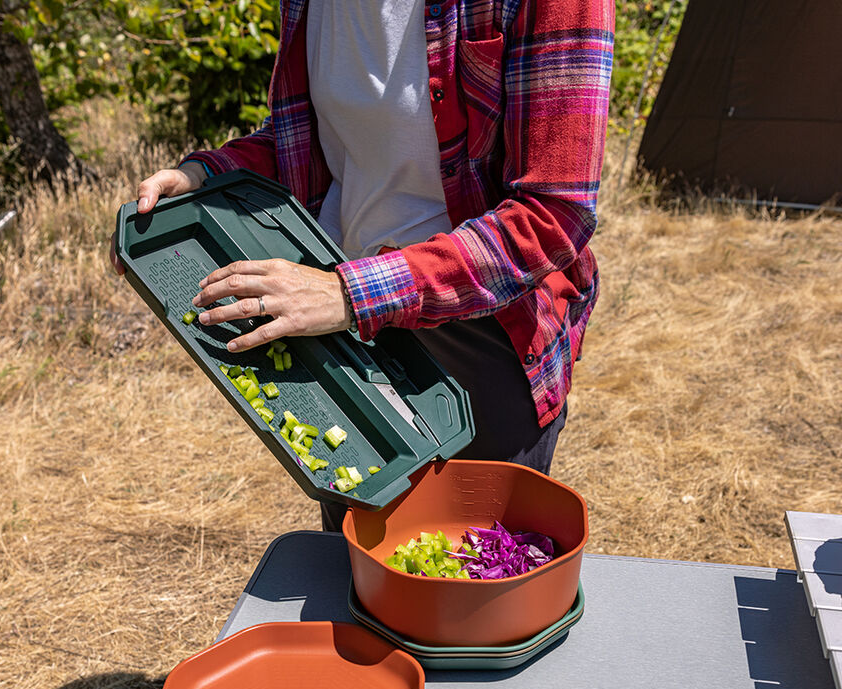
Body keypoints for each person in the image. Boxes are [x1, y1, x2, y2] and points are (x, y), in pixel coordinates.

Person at [112, 0, 615, 532]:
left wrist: (348, 295)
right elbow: (319, 142)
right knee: (360, 572)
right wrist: (206, 173)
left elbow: (552, 213)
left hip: (486, 331)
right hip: (338, 322)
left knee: (478, 582)